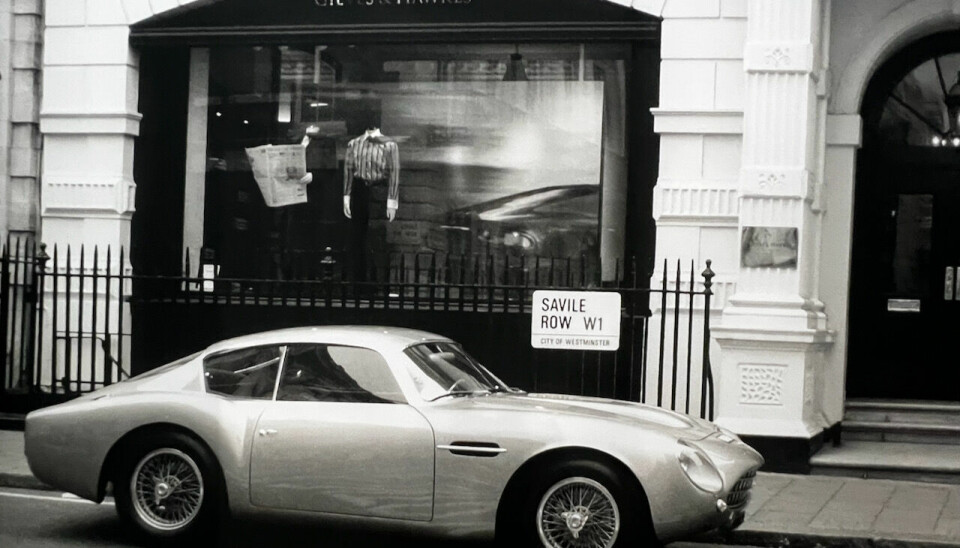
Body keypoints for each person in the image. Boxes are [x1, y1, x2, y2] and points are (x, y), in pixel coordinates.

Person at [343, 125, 400, 281]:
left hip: (379, 190)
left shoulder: (389, 145)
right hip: (359, 190)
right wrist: (346, 196)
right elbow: (348, 170)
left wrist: (392, 201)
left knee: (378, 237)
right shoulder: (353, 144)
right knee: (357, 239)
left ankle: (379, 281)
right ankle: (358, 282)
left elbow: (394, 172)